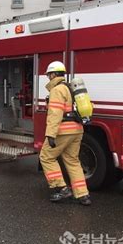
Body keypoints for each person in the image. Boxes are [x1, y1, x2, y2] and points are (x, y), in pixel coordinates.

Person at [38, 61, 91, 206]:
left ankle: (61, 188)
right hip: (77, 129)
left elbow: (55, 113)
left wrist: (50, 134)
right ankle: (83, 195)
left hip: (63, 130)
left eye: (49, 74)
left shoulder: (57, 90)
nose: (48, 77)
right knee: (73, 161)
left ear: (54, 74)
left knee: (46, 157)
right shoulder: (70, 88)